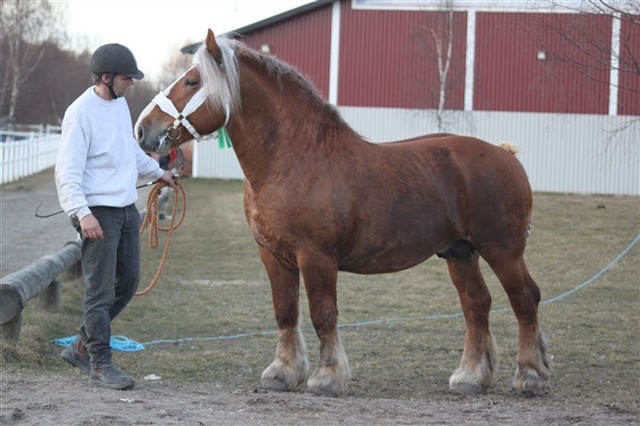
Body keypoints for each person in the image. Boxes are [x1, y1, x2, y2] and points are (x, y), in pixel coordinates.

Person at [55, 43, 175, 390]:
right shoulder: (80, 114)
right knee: (100, 291)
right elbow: (67, 171)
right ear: (106, 77)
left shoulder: (121, 106)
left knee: (128, 282)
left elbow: (129, 155)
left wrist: (158, 172)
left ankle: (82, 345)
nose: (131, 83)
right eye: (126, 77)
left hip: (125, 211)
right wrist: (81, 212)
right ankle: (99, 364)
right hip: (98, 214)